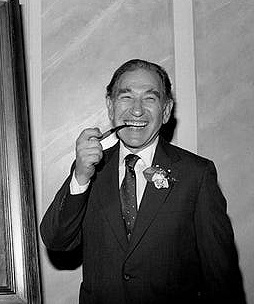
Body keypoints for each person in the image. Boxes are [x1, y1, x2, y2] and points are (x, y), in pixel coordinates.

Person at [40, 59, 245, 304]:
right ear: (110, 106)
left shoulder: (197, 175)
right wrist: (80, 177)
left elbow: (221, 277)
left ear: (166, 110)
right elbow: (56, 240)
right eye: (126, 97)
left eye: (150, 98)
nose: (137, 110)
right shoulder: (89, 169)